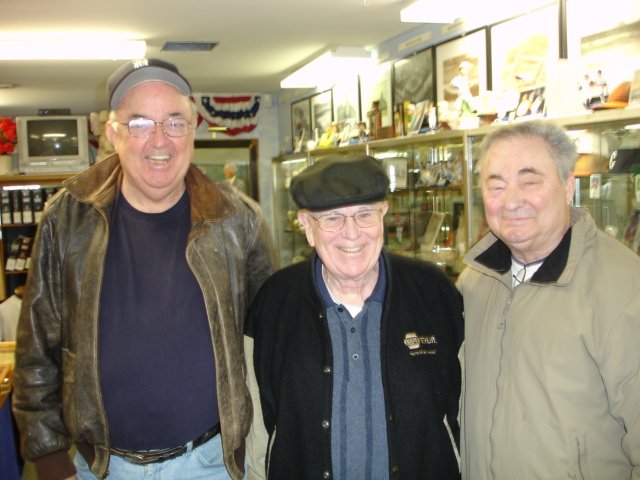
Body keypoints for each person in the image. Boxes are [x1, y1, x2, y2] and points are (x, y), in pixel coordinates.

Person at [12, 58, 276, 480]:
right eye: (139, 123)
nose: (159, 140)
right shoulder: (67, 218)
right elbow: (37, 350)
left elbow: (272, 343)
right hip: (98, 467)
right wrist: (50, 461)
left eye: (174, 122)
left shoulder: (237, 220)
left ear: (193, 128)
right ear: (113, 133)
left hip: (212, 464)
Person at [245, 154, 464, 479]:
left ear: (383, 215)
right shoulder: (274, 303)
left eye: (364, 215)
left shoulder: (435, 293)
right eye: (332, 218)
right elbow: (258, 428)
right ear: (306, 225)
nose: (351, 234)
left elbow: (465, 411)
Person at [457, 120, 640, 479]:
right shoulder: (475, 282)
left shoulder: (624, 288)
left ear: (568, 185)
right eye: (496, 185)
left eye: (530, 182)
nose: (512, 201)